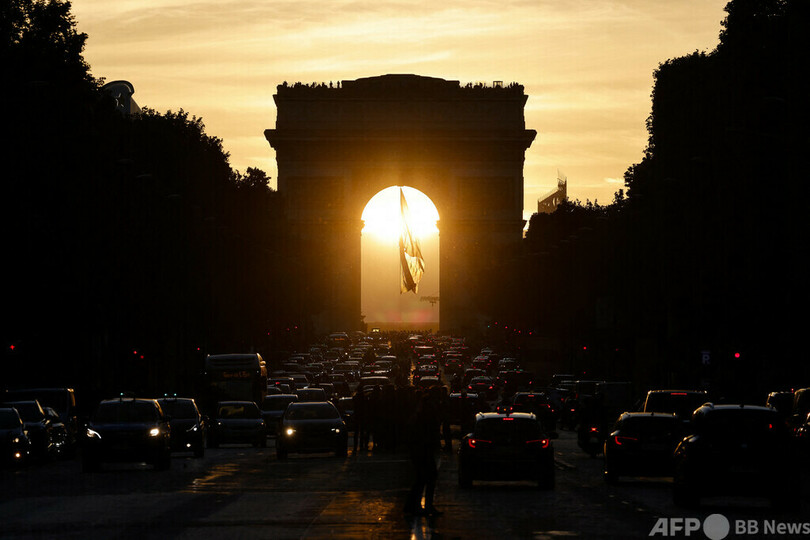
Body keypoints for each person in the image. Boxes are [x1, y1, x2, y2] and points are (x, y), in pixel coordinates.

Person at [403, 389, 443, 516]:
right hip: (423, 449)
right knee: (427, 477)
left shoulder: (421, 412)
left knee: (423, 478)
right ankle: (421, 506)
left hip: (421, 449)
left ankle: (414, 505)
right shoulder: (426, 413)